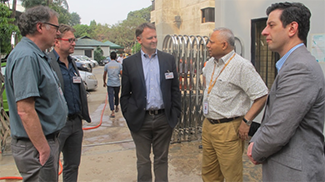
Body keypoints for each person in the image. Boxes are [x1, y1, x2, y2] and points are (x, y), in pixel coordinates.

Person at [247, 2, 325, 181]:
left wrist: (255, 149)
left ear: (292, 28)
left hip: (294, 173)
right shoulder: (293, 65)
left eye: (271, 25)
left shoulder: (300, 68)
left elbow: (278, 128)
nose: (264, 31)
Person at [5, 6, 68, 182]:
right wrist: (43, 148)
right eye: (55, 28)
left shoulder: (37, 55)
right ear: (40, 27)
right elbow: (25, 110)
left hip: (43, 142)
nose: (57, 33)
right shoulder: (26, 57)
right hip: (35, 145)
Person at [201, 27, 268, 182]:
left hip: (228, 129)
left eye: (212, 42)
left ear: (224, 45)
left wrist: (246, 121)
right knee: (209, 173)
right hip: (208, 125)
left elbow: (262, 95)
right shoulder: (210, 63)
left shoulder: (242, 66)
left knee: (232, 175)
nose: (208, 45)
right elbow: (206, 80)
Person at [120, 22, 181, 182]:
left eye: (155, 37)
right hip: (140, 120)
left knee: (162, 159)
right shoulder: (129, 63)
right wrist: (129, 115)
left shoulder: (168, 60)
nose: (154, 40)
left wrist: (175, 114)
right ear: (139, 39)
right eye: (150, 38)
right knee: (143, 160)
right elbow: (125, 94)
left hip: (163, 119)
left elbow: (175, 90)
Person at [48, 24, 91, 182]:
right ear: (57, 41)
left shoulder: (72, 63)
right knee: (50, 166)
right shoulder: (48, 63)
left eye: (75, 40)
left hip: (75, 123)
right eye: (70, 40)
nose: (74, 43)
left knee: (72, 165)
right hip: (57, 126)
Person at [103, 51, 122, 118]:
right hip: (117, 83)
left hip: (110, 83)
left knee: (111, 97)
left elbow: (104, 74)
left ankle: (112, 112)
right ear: (116, 57)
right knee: (116, 95)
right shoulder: (119, 65)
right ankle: (117, 106)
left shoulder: (107, 65)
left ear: (110, 57)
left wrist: (104, 82)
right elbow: (121, 73)